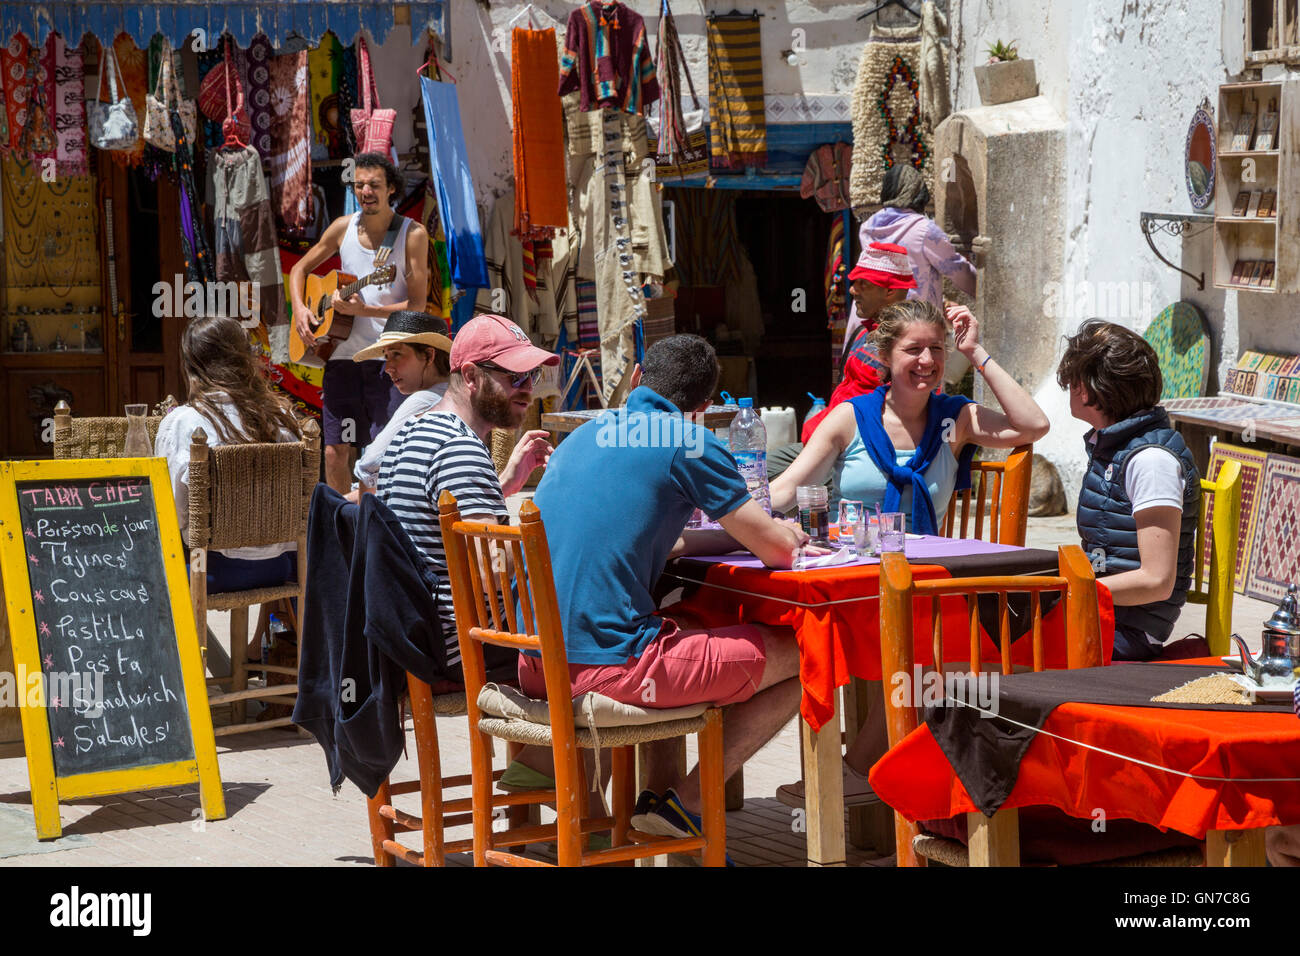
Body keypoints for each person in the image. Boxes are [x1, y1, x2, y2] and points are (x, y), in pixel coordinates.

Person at [520, 334, 814, 840]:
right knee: (811, 650)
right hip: (609, 669)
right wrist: (788, 533)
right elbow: (780, 553)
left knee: (686, 623)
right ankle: (687, 804)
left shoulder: (583, 435)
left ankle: (573, 788)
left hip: (535, 661)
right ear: (704, 407)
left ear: (637, 378)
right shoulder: (690, 441)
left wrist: (710, 539)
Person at [768, 298, 1049, 808]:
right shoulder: (850, 418)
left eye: (937, 350)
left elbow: (1033, 425)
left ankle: (861, 771)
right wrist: (729, 514)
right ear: (886, 355)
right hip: (853, 581)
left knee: (932, 635)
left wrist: (976, 352)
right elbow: (788, 488)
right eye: (913, 349)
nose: (927, 361)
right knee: (820, 634)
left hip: (925, 584)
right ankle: (873, 773)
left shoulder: (955, 418)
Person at [375, 314, 557, 676]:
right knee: (607, 634)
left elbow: (440, 520)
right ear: (472, 376)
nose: (528, 390)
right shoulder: (460, 449)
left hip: (416, 634)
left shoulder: (414, 429)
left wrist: (503, 484)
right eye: (514, 377)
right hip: (466, 645)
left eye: (531, 377)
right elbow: (493, 575)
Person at [1057, 319, 1200, 661]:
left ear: (1088, 390)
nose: (1069, 389)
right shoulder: (1114, 447)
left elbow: (1157, 580)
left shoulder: (1150, 462)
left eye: (1073, 381)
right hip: (1106, 615)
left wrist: (1073, 592)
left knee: (994, 649)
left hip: (1127, 631)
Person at [290, 152, 430, 494]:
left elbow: (418, 305)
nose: (365, 191)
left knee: (384, 451)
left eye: (374, 185)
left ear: (391, 189)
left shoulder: (412, 235)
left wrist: (364, 312)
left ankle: (378, 526)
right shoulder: (343, 228)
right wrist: (300, 311)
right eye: (360, 184)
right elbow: (299, 269)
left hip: (389, 358)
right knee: (335, 450)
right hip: (342, 357)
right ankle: (342, 526)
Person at [155, 315, 304, 593]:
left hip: (210, 571)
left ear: (192, 364)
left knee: (144, 567)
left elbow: (171, 514)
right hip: (281, 566)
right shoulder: (281, 417)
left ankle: (191, 639)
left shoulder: (185, 422)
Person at [859, 163, 977, 386]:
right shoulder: (923, 229)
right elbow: (957, 270)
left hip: (877, 326)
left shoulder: (867, 228)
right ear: (918, 193)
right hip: (916, 326)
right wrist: (985, 289)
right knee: (920, 389)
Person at [348, 310, 453, 496]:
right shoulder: (453, 394)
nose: (388, 368)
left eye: (396, 354)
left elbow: (370, 464)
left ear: (429, 356)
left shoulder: (426, 399)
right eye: (386, 357)